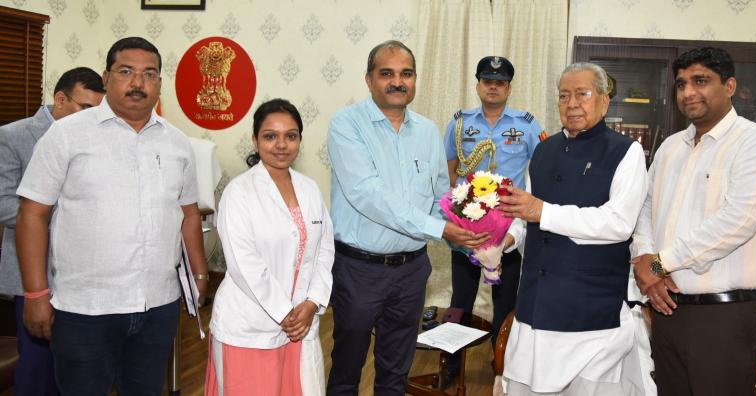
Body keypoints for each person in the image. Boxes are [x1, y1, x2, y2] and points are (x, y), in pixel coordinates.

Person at [15, 36, 208, 396]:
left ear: (160, 83)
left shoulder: (177, 143)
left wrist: (198, 274)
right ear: (106, 78)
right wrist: (36, 293)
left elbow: (189, 213)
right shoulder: (67, 135)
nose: (138, 83)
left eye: (149, 74)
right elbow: (32, 215)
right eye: (126, 72)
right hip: (85, 310)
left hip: (157, 306)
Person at [326, 40, 488, 395]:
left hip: (412, 271)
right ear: (369, 80)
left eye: (406, 74)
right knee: (347, 368)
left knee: (396, 370)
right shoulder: (346, 125)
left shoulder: (428, 131)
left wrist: (470, 231)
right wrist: (440, 228)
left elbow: (436, 198)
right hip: (359, 271)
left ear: (415, 80)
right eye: (387, 74)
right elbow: (369, 196)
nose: (397, 82)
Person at [631, 47, 756, 396]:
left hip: (726, 314)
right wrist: (646, 262)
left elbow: (736, 222)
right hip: (668, 309)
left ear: (730, 85)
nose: (688, 92)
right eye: (681, 84)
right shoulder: (670, 147)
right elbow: (645, 209)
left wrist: (660, 263)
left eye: (701, 81)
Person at [498, 62, 649, 395]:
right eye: (564, 95)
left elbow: (619, 223)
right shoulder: (543, 150)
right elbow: (526, 215)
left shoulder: (626, 152)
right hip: (534, 305)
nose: (572, 103)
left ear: (604, 100)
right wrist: (505, 239)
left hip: (590, 315)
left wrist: (543, 212)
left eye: (583, 93)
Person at [204, 99, 333, 396]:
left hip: (301, 323)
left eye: (291, 135)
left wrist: (312, 302)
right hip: (250, 326)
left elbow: (324, 250)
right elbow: (243, 263)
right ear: (255, 139)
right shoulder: (239, 192)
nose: (281, 145)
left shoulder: (309, 189)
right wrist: (287, 313)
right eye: (270, 136)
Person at [0, 67, 104, 396]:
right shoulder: (12, 136)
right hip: (34, 271)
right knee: (36, 361)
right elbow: (2, 203)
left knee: (75, 362)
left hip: (84, 272)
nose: (93, 118)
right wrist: (58, 214)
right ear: (61, 99)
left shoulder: (96, 139)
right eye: (86, 108)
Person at [443, 55, 543, 343]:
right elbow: (448, 172)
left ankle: (501, 367)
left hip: (507, 232)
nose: (494, 87)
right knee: (460, 299)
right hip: (467, 229)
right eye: (488, 81)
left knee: (506, 300)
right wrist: (464, 211)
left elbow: (542, 167)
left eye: (500, 82)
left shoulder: (527, 125)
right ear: (478, 85)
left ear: (509, 88)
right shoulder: (460, 123)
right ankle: (452, 364)